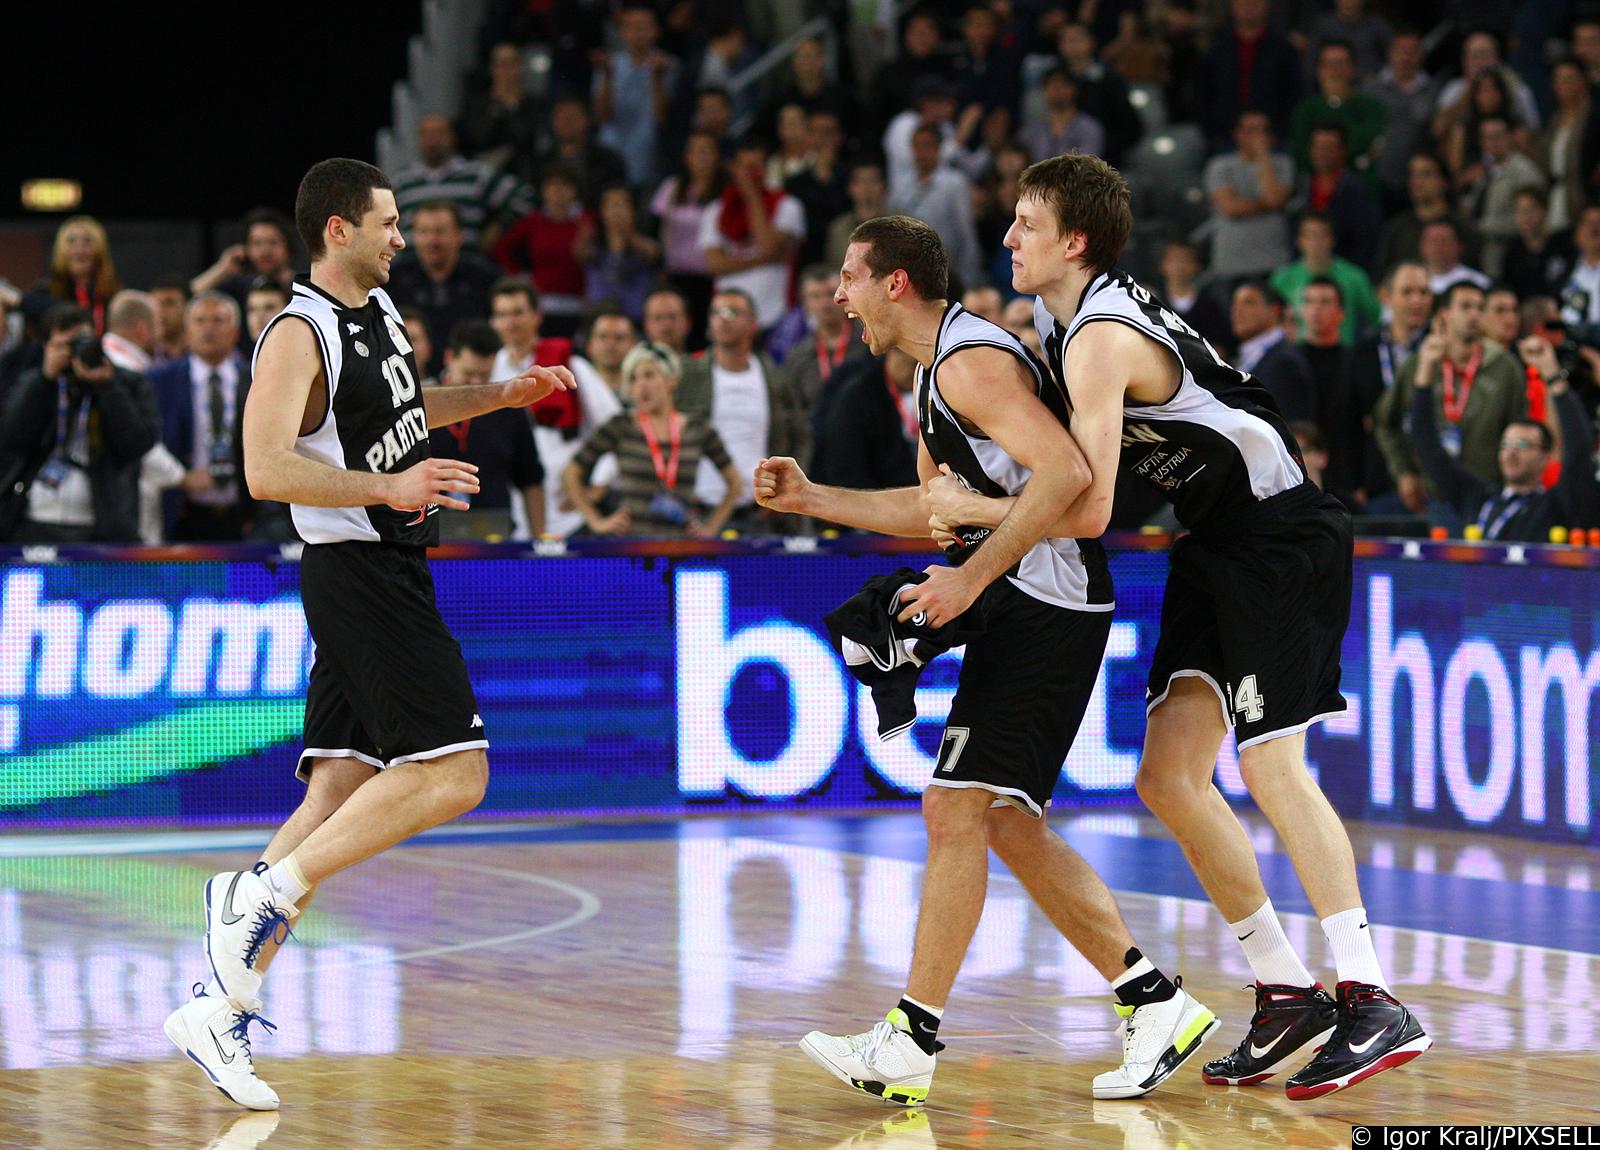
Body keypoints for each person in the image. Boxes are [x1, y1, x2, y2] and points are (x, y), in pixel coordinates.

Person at [937, 153, 1431, 1099]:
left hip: (1282, 533)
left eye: (1025, 225)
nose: (1007, 239)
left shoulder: (1096, 341)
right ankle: (1288, 991)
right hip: (1215, 539)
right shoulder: (1057, 316)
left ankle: (1371, 996)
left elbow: (1084, 509)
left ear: (1072, 241)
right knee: (1167, 776)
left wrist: (969, 510)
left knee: (1269, 764)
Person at [759, 214, 1217, 1107]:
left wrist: (967, 581)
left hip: (1049, 600)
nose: (838, 296)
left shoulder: (972, 361)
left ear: (896, 283)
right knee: (1001, 820)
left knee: (955, 807)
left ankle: (911, 1039)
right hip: (1029, 597)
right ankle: (1153, 1002)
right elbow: (935, 506)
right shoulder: (937, 374)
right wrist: (813, 496)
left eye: (850, 277)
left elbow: (1067, 476)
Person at [162, 157, 575, 1110]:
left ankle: (218, 1007)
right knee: (456, 774)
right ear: (337, 231)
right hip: (358, 574)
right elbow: (265, 471)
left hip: (386, 566)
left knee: (341, 788)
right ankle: (255, 894)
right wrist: (391, 490)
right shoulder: (296, 335)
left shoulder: (383, 316)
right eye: (387, 223)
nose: (403, 237)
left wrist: (497, 396)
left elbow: (400, 420)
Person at [1411, 334, 1598, 540]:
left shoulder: (1556, 505)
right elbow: (1427, 447)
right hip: (1471, 574)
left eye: (1522, 445)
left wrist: (1552, 375)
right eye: (1506, 444)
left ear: (1545, 457)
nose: (1511, 452)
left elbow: (1579, 449)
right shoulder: (1476, 496)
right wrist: (1425, 370)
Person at [0, 303, 159, 543]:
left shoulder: (128, 382)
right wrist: (45, 380)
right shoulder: (35, 382)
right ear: (47, 347)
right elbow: (12, 436)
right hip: (36, 519)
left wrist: (107, 386)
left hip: (104, 523)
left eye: (82, 342)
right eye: (65, 345)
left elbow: (137, 444)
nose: (75, 353)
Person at [1375, 281, 1528, 513]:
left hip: (1488, 492)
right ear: (1444, 314)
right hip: (1431, 494)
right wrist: (1404, 472)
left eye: (1479, 307)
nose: (1474, 314)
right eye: (1465, 307)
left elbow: (1520, 427)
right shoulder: (1421, 362)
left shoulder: (1505, 366)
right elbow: (1385, 421)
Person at [564, 341, 739, 537]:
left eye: (649, 375)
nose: (641, 386)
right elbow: (571, 473)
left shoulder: (697, 429)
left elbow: (735, 482)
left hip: (682, 545)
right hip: (631, 547)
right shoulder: (621, 426)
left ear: (671, 380)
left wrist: (711, 528)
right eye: (633, 379)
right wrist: (597, 522)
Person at [427, 319, 545, 540]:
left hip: (494, 534)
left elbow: (530, 478)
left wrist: (540, 540)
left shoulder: (509, 409)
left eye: (484, 375)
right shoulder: (421, 405)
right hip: (428, 535)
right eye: (469, 374)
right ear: (450, 358)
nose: (476, 382)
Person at [149, 292, 254, 541]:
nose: (209, 328)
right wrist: (180, 477)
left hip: (244, 515)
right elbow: (147, 441)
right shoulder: (160, 380)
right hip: (182, 513)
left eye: (218, 321)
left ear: (236, 332)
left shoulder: (256, 379)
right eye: (200, 321)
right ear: (187, 331)